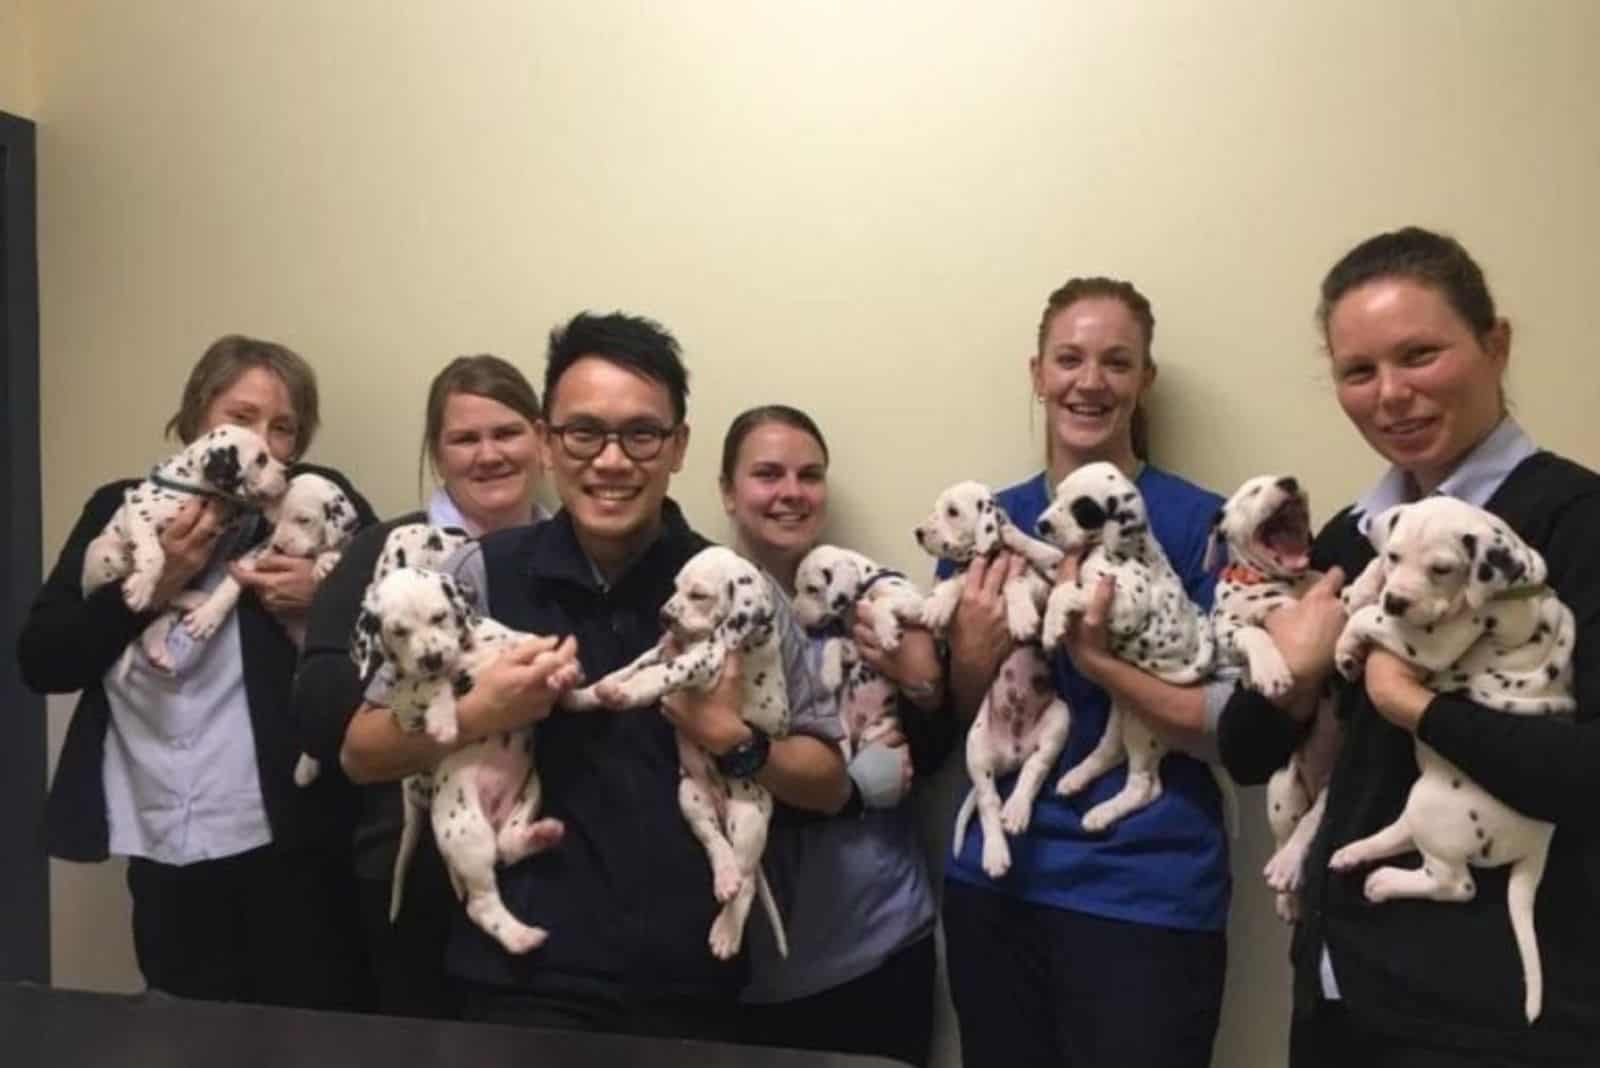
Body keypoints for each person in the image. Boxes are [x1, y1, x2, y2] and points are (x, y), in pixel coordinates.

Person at [336, 312, 851, 1038]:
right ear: (547, 443)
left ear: (678, 447)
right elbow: (360, 752)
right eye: (583, 433)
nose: (611, 461)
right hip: (518, 980)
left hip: (694, 982)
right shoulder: (475, 576)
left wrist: (736, 739)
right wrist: (483, 709)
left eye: (642, 434)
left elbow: (829, 782)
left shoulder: (731, 585)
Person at [1218, 227, 1600, 1066]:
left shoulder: (1574, 523)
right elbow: (1245, 752)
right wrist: (1296, 670)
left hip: (1494, 1022)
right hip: (1337, 990)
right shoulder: (1355, 538)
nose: (1391, 394)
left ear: (1495, 345)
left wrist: (1408, 703)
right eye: (1359, 372)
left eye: (1420, 354)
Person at [17, 334, 373, 1009]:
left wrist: (322, 596)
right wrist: (153, 587)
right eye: (242, 419)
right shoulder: (123, 510)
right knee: (183, 1028)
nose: (264, 440)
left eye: (284, 427)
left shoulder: (313, 504)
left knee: (314, 1031)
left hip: (290, 835)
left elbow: (394, 620)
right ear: (196, 421)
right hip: (163, 834)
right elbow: (45, 660)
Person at [940, 278, 1229, 1068]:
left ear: (1145, 382)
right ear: (1036, 373)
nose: (1089, 381)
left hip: (1148, 893)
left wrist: (1097, 659)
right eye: (1068, 359)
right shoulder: (983, 520)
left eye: (1116, 361)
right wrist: (970, 652)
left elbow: (1234, 729)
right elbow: (943, 718)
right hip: (997, 887)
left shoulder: (1203, 524)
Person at [293, 354, 546, 1018]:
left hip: (549, 858)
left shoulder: (572, 553)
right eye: (465, 438)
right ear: (438, 455)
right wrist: (472, 709)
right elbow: (322, 710)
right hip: (413, 869)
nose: (489, 454)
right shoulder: (388, 552)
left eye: (507, 432)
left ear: (542, 440)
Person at [718, 405, 955, 1068]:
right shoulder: (707, 608)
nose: (791, 491)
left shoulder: (877, 606)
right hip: (744, 962)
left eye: (809, 474)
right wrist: (839, 788)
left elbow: (927, 761)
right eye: (767, 474)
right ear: (728, 493)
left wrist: (926, 687)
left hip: (878, 942)